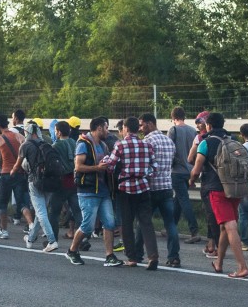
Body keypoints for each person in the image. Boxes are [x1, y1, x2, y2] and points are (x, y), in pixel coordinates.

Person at [189, 112, 248, 278]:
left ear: (208, 125)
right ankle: (219, 263)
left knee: (229, 226)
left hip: (216, 189)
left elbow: (196, 169)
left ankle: (242, 267)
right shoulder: (234, 141)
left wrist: (191, 180)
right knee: (224, 227)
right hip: (235, 190)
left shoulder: (205, 143)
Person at [66, 116, 122, 267]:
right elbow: (78, 167)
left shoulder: (103, 145)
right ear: (98, 128)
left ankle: (109, 256)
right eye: (106, 128)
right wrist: (97, 168)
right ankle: (72, 250)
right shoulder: (84, 143)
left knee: (110, 223)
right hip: (88, 191)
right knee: (88, 226)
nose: (107, 131)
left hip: (104, 190)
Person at [103, 116, 155, 268]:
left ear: (125, 128)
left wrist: (106, 160)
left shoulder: (120, 145)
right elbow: (154, 167)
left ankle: (132, 258)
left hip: (125, 188)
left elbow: (111, 166)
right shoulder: (147, 145)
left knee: (126, 223)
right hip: (143, 187)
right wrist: (144, 175)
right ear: (137, 129)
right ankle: (153, 256)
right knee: (146, 223)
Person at [142, 113, 181, 268]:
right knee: (170, 224)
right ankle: (174, 257)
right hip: (166, 187)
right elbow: (172, 162)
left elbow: (146, 165)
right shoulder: (169, 141)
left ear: (150, 123)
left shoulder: (148, 141)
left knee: (144, 222)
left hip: (151, 188)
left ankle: (138, 253)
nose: (140, 127)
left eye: (142, 124)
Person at [0, 114, 32, 239]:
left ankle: (4, 231)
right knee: (21, 203)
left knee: (3, 203)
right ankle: (31, 225)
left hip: (6, 173)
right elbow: (26, 144)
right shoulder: (18, 135)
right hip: (20, 172)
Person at [16, 122, 59, 252]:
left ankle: (52, 241)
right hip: (50, 181)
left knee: (40, 213)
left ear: (30, 133)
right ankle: (30, 239)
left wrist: (12, 172)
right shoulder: (47, 144)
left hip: (35, 181)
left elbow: (19, 164)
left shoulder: (26, 145)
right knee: (40, 212)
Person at [188, 111, 219, 257]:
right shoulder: (231, 138)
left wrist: (193, 178)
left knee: (211, 214)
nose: (198, 124)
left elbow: (190, 159)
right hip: (230, 183)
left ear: (207, 123)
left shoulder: (201, 139)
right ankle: (217, 244)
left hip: (210, 182)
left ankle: (214, 245)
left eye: (199, 121)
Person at [167, 107, 200, 243]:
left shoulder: (173, 130)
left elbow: (169, 149)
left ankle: (194, 230)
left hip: (177, 171)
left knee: (183, 200)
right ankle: (171, 227)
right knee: (178, 200)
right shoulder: (193, 131)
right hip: (190, 170)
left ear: (173, 118)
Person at [48, 120, 82, 241]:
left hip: (60, 182)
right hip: (74, 180)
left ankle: (53, 239)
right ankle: (82, 239)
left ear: (59, 132)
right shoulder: (75, 142)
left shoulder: (56, 146)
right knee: (77, 210)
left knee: (54, 212)